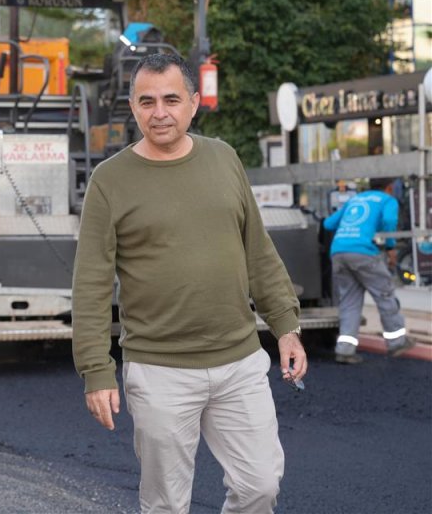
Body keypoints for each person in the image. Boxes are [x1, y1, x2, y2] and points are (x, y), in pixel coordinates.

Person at [71, 53, 307, 514]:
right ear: (133, 107)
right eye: (147, 101)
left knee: (260, 486)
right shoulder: (109, 180)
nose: (160, 112)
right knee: (165, 505)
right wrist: (96, 369)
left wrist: (286, 327)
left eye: (171, 99)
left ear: (193, 103)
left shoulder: (223, 158)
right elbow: (92, 284)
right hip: (159, 370)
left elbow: (257, 250)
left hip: (238, 361)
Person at [323, 177, 416, 364]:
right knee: (384, 294)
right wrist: (390, 247)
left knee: (349, 300)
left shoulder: (355, 199)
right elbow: (390, 220)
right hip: (363, 252)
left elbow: (328, 224)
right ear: (389, 187)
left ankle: (345, 350)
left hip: (339, 252)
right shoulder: (387, 200)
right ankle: (397, 342)